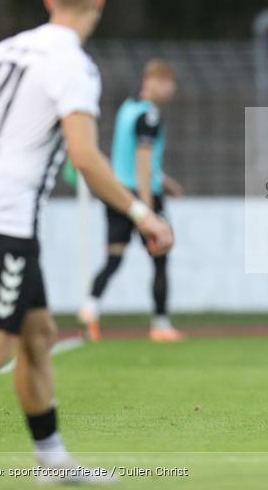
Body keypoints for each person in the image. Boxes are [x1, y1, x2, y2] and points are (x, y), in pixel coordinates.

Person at [0, 0, 173, 482]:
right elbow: (84, 158)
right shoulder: (74, 66)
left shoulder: (11, 48)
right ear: (99, 1)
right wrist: (142, 213)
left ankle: (52, 462)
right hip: (4, 222)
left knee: (37, 334)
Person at [78, 59, 184, 342]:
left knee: (113, 257)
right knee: (160, 259)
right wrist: (147, 211)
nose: (170, 89)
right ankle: (161, 324)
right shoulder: (149, 116)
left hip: (117, 194)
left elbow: (131, 158)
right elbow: (142, 163)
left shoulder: (127, 109)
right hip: (142, 196)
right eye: (166, 83)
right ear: (152, 82)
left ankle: (90, 308)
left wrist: (167, 182)